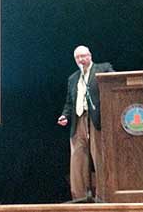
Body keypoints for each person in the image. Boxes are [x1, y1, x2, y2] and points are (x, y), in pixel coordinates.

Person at [57, 45, 114, 200]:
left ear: (90, 55)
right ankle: (79, 198)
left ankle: (103, 197)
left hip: (97, 119)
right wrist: (65, 116)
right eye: (78, 57)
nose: (81, 59)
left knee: (99, 157)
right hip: (78, 120)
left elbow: (115, 84)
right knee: (77, 160)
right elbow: (69, 102)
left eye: (84, 56)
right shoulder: (73, 78)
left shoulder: (103, 69)